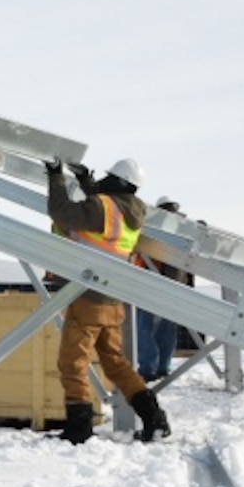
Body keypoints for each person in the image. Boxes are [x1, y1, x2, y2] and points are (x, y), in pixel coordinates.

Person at [44, 157, 170, 445]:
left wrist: (55, 177)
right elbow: (103, 210)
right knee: (116, 363)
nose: (105, 180)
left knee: (72, 361)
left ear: (119, 182)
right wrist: (87, 181)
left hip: (88, 295)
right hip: (112, 297)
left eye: (109, 177)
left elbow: (62, 212)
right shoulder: (132, 211)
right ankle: (155, 419)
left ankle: (79, 428)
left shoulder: (103, 207)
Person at [134, 197, 192, 380]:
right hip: (174, 287)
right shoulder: (185, 230)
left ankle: (148, 368)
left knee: (144, 327)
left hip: (152, 284)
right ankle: (161, 368)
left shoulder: (155, 229)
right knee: (166, 329)